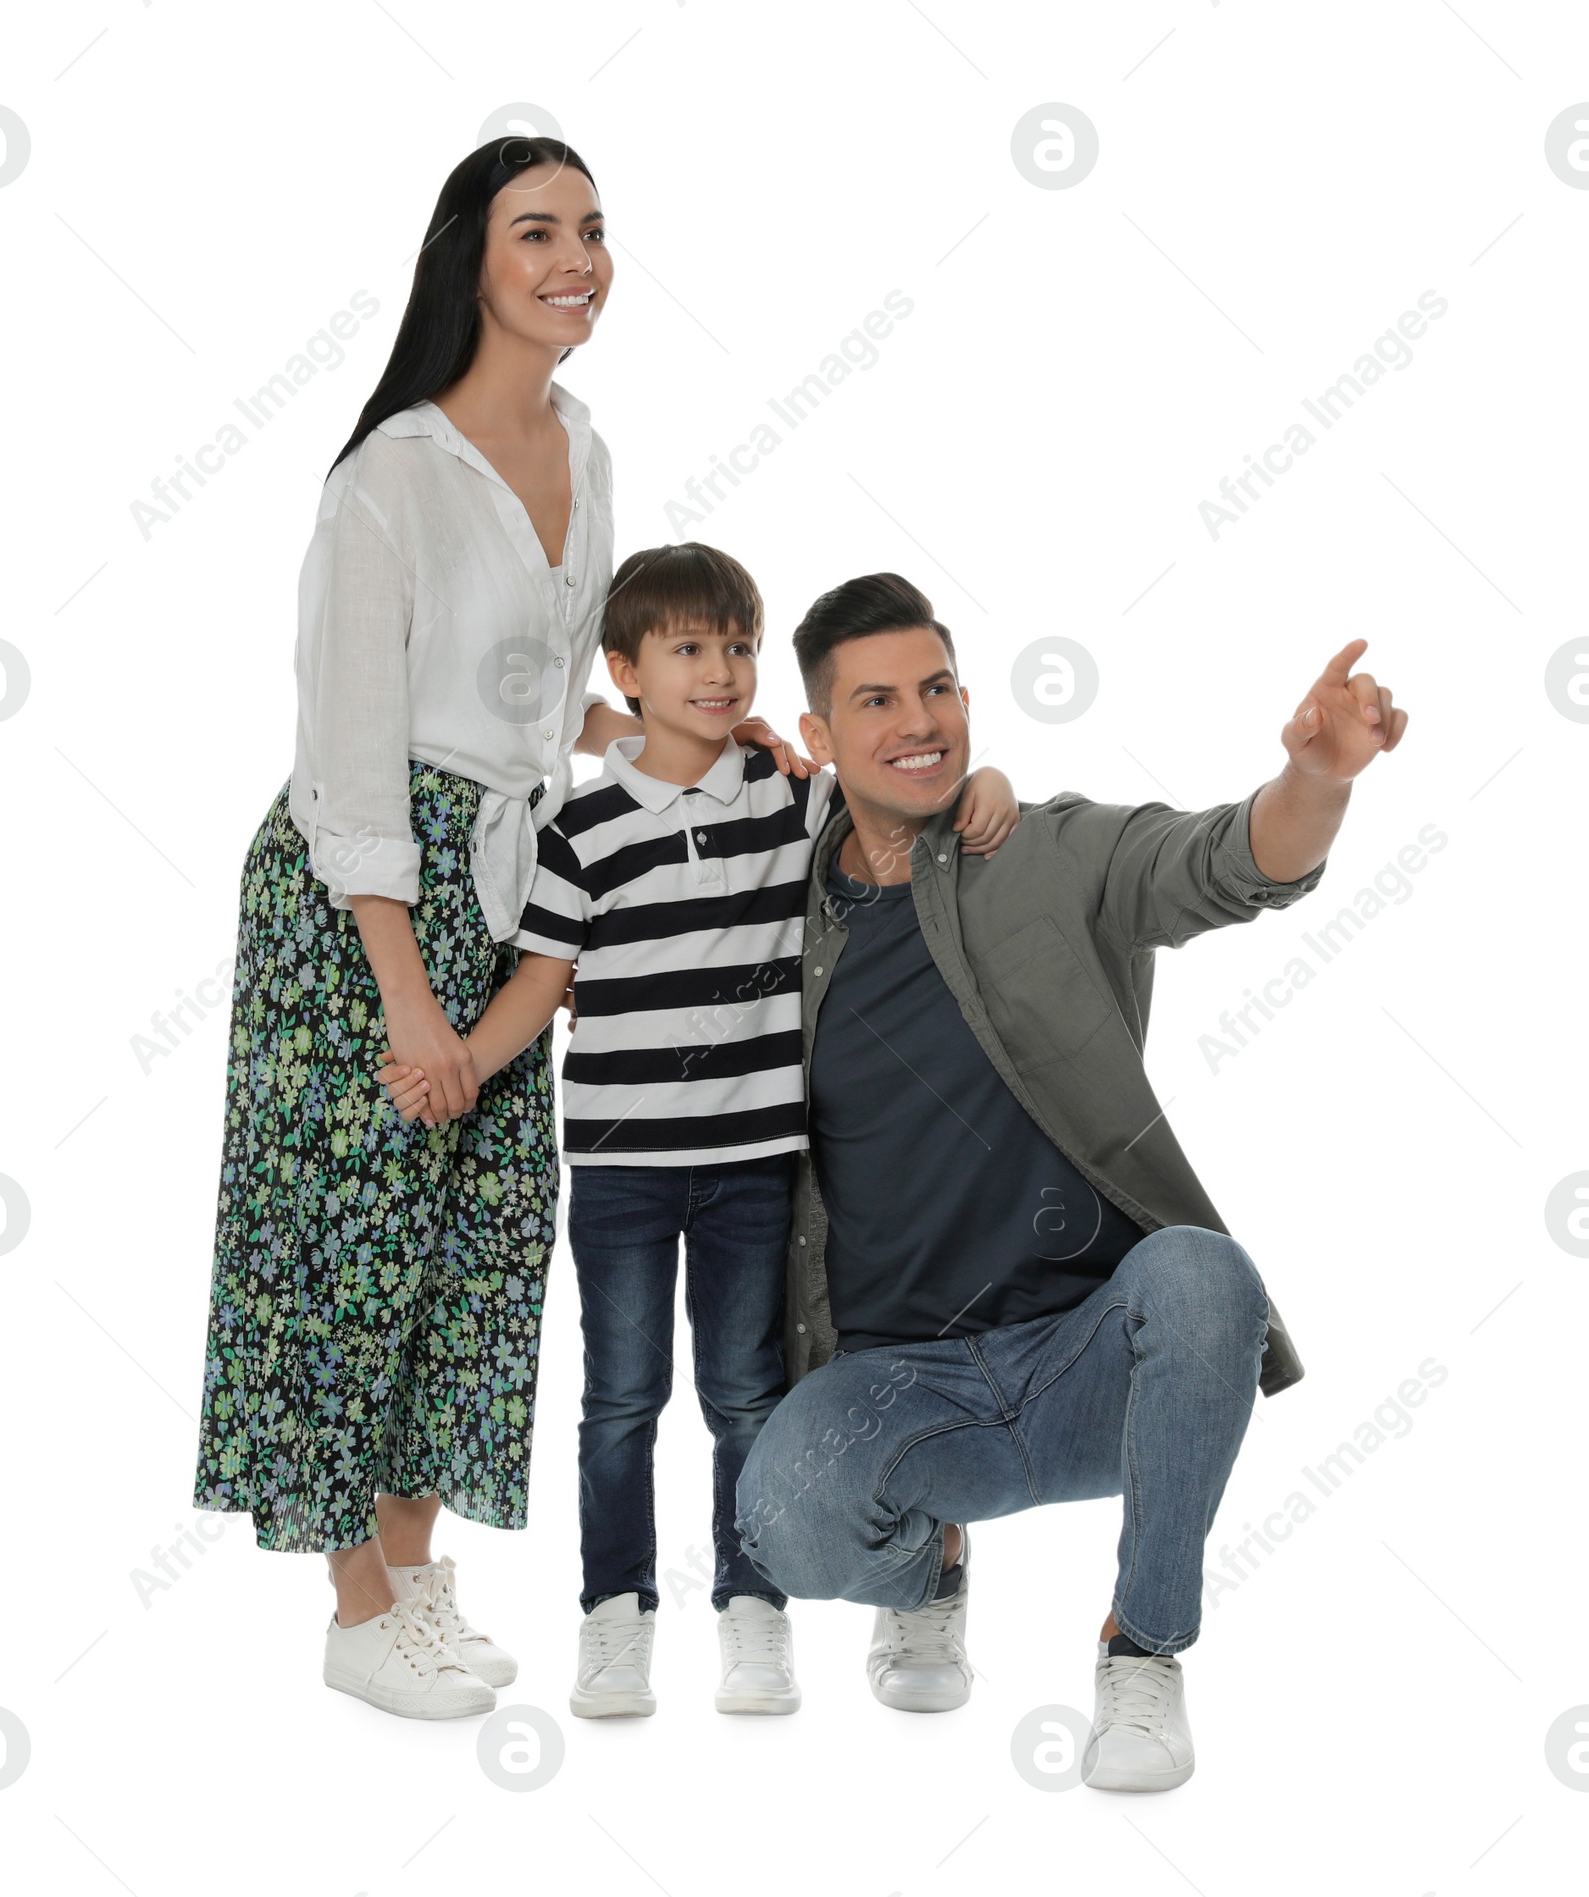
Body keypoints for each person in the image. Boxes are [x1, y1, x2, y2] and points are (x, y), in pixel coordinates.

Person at [192, 139, 801, 1723]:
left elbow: (541, 696)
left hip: (516, 884)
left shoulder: (585, 448)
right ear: (472, 256)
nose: (577, 257)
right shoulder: (389, 475)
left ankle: (412, 1571)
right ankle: (348, 1604)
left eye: (594, 229)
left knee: (480, 1246)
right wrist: (402, 990)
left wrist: (705, 739)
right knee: (347, 1251)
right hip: (359, 903)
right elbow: (354, 741)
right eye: (539, 231)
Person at [735, 572, 1408, 1789]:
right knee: (779, 1520)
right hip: (902, 1382)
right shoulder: (768, 909)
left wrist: (1318, 778)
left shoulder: (1045, 850)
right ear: (820, 739)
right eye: (875, 700)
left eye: (936, 687)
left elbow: (1224, 861)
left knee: (1204, 1274)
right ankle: (926, 1565)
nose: (919, 720)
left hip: (1095, 1360)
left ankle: (1141, 1653)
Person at [376, 544, 1021, 1717]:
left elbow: (899, 801)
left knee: (744, 1397)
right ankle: (614, 1619)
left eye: (736, 647)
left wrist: (990, 786)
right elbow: (540, 980)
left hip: (752, 1166)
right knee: (620, 1399)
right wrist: (461, 1059)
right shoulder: (578, 829)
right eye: (686, 650)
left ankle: (753, 1607)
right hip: (623, 1167)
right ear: (623, 670)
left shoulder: (787, 796)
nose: (719, 672)